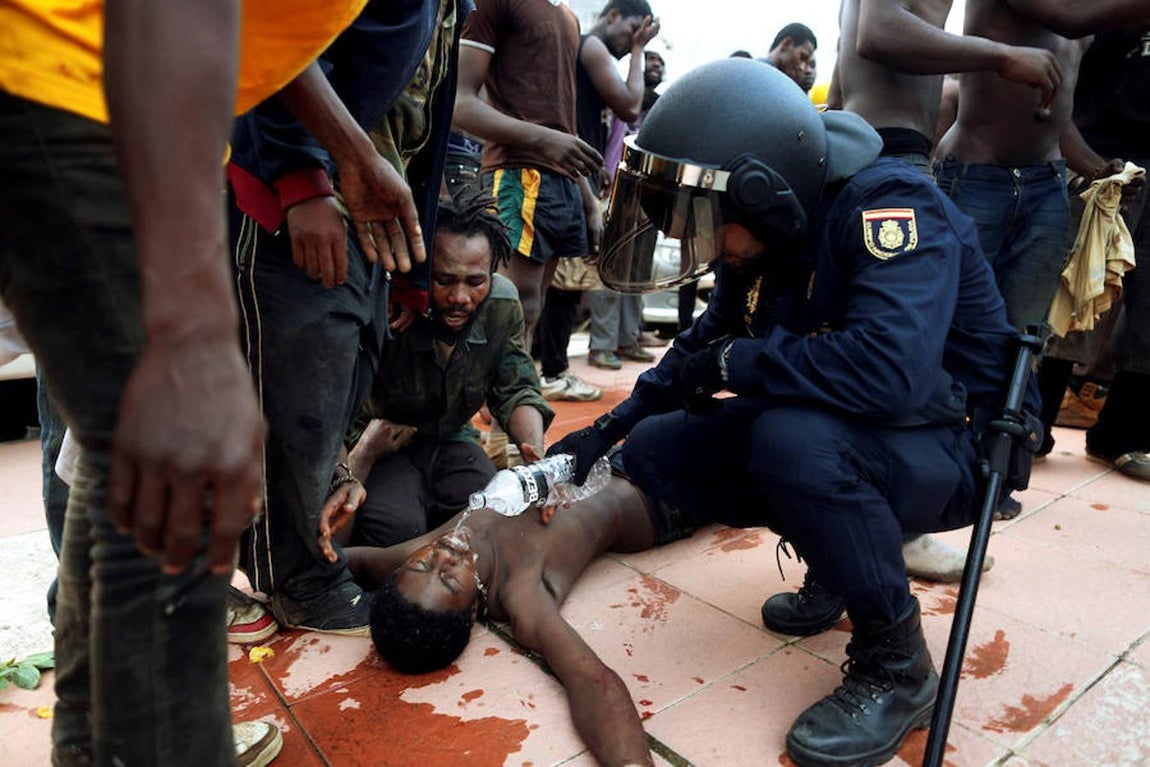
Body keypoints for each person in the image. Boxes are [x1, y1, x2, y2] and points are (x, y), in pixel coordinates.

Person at [548, 59, 1042, 766]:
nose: (705, 240)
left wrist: (740, 365)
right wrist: (602, 433)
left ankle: (897, 665)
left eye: (707, 220)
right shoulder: (769, 230)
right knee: (660, 449)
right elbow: (700, 347)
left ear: (762, 189)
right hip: (871, 429)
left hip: (955, 444)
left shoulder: (890, 207)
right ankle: (842, 561)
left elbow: (888, 371)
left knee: (792, 441)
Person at [0, 0, 360, 762]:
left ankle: (94, 747)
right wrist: (193, 327)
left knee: (135, 471)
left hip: (104, 90)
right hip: (77, 84)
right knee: (183, 479)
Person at [226, 0, 466, 636]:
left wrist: (411, 275)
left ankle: (293, 559)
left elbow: (426, 123)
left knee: (335, 380)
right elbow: (272, 29)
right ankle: (293, 580)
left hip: (371, 204)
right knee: (294, 386)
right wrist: (300, 178)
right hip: (308, 187)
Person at [326, 462, 684, 767]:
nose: (444, 556)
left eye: (422, 566)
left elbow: (350, 559)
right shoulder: (522, 595)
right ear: (472, 612)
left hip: (603, 457)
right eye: (450, 579)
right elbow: (592, 681)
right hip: (661, 495)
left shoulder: (415, 554)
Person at [336, 195, 554, 548]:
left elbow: (516, 388)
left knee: (493, 521)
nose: (460, 297)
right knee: (394, 536)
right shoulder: (390, 305)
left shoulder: (501, 305)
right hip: (384, 445)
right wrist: (360, 459)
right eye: (443, 280)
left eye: (475, 281)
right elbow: (334, 407)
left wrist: (534, 450)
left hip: (452, 438)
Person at [454, 0, 606, 403]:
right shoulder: (497, 3)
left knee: (531, 307)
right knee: (505, 304)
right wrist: (544, 140)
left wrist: (587, 198)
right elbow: (459, 104)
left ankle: (510, 415)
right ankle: (487, 420)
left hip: (561, 178)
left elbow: (562, 121)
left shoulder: (567, 17)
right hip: (518, 171)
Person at [1052, 28, 1150, 481]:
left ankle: (1121, 435)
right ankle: (1034, 421)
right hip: (1101, 146)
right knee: (1075, 290)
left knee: (1149, 312)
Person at [574, 0, 662, 372]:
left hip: (595, 173)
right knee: (602, 269)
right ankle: (597, 348)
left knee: (629, 271)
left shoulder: (601, 59)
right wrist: (640, 50)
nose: (633, 42)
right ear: (612, 16)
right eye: (631, 31)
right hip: (590, 176)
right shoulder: (592, 47)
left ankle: (622, 340)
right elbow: (627, 109)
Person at [763, 22, 818, 91]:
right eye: (802, 58)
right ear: (786, 44)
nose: (803, 68)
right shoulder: (760, 79)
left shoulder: (781, 85)